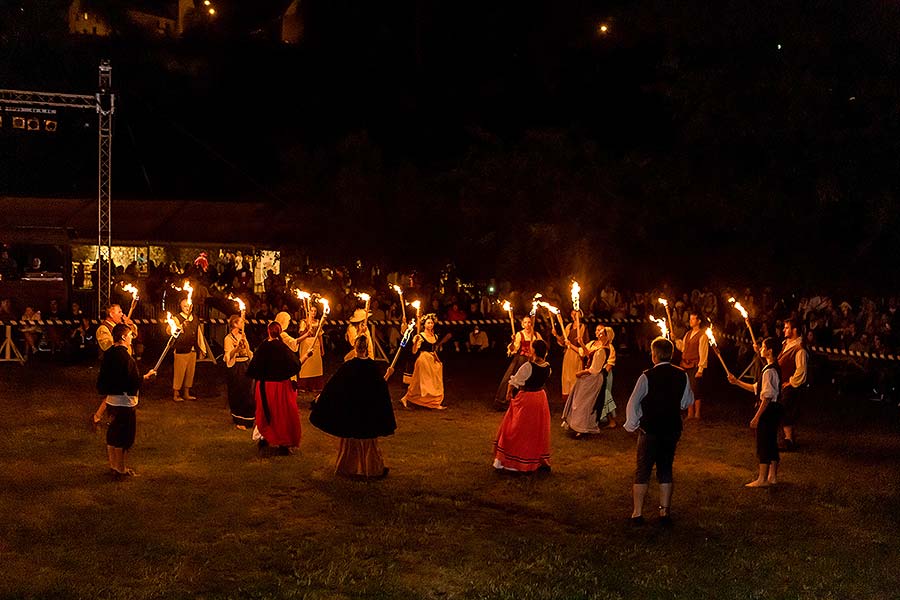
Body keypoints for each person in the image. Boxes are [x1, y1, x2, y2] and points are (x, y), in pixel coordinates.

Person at [624, 337, 694, 525]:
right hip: (671, 428)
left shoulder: (646, 376)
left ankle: (637, 513)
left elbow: (633, 401)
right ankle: (664, 513)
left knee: (643, 470)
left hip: (651, 429)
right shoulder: (682, 375)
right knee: (665, 468)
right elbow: (687, 401)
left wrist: (632, 423)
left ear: (654, 355)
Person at [310, 335, 396, 479]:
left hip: (353, 412)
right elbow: (380, 387)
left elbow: (334, 386)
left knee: (352, 440)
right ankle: (371, 469)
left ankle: (349, 468)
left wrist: (321, 398)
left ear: (355, 348)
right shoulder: (372, 367)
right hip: (367, 412)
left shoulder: (348, 366)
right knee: (367, 440)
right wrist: (387, 375)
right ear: (367, 348)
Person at [92, 324, 156, 479]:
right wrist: (145, 378)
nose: (131, 338)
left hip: (112, 401)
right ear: (122, 337)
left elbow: (104, 379)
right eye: (129, 335)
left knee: (112, 435)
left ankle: (113, 466)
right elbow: (131, 381)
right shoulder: (125, 358)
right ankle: (121, 469)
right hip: (125, 403)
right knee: (123, 437)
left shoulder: (109, 354)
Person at [728, 337, 783, 487]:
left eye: (763, 347)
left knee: (764, 443)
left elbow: (766, 397)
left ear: (770, 351)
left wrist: (757, 417)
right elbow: (756, 388)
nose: (761, 349)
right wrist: (737, 382)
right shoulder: (773, 368)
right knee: (771, 442)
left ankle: (762, 479)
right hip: (775, 409)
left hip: (768, 410)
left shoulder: (768, 371)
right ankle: (772, 477)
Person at [493, 339, 552, 473]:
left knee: (517, 428)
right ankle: (534, 459)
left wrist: (509, 393)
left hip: (527, 399)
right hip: (540, 398)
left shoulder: (528, 366)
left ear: (535, 351)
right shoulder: (548, 366)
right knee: (535, 430)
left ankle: (513, 461)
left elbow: (514, 381)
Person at [246, 321, 302, 456]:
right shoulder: (282, 347)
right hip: (281, 387)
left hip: (265, 386)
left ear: (268, 331)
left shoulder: (263, 347)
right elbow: (295, 365)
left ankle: (264, 438)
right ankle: (281, 443)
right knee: (281, 414)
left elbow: (253, 367)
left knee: (266, 412)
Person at [561, 325, 617, 435]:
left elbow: (596, 368)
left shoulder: (604, 350)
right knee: (583, 400)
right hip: (591, 376)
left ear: (607, 336)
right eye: (598, 331)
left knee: (587, 401)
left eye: (601, 332)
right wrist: (579, 343)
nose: (599, 334)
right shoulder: (594, 345)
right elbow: (588, 355)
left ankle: (583, 426)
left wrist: (582, 372)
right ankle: (578, 424)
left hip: (596, 377)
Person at [494, 316, 543, 409]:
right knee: (511, 378)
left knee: (535, 380)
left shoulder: (536, 334)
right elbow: (513, 349)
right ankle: (504, 401)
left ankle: (534, 403)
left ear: (531, 324)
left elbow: (541, 347)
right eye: (525, 322)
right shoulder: (519, 334)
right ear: (522, 324)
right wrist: (512, 342)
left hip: (532, 360)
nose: (527, 325)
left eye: (529, 322)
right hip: (521, 360)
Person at [399, 313, 446, 410]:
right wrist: (416, 342)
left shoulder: (435, 336)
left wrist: (438, 360)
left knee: (434, 382)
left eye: (432, 323)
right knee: (422, 382)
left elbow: (433, 350)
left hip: (432, 360)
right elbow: (414, 351)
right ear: (424, 324)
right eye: (428, 323)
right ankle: (407, 398)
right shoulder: (420, 336)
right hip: (423, 360)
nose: (430, 325)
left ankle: (434, 402)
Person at [778, 318, 808, 451]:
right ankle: (787, 438)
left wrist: (790, 382)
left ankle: (789, 440)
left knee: (785, 412)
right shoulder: (786, 344)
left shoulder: (799, 349)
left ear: (794, 330)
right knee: (782, 412)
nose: (784, 329)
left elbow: (801, 370)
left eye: (787, 327)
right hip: (783, 385)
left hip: (791, 388)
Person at [172, 298, 208, 402]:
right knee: (179, 372)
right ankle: (176, 393)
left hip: (192, 349)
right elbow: (170, 331)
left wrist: (201, 348)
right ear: (181, 307)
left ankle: (186, 392)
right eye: (184, 306)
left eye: (188, 306)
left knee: (190, 373)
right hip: (181, 349)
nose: (187, 308)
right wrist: (179, 327)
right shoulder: (176, 318)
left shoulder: (195, 318)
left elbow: (198, 333)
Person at [223, 314, 254, 430]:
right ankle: (239, 419)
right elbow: (228, 355)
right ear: (235, 324)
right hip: (237, 368)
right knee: (238, 392)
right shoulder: (228, 338)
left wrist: (244, 344)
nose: (243, 324)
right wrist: (236, 348)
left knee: (249, 392)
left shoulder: (243, 336)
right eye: (241, 322)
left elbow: (248, 352)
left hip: (246, 365)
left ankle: (248, 418)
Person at [676, 312, 709, 420]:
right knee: (687, 389)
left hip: (695, 366)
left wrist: (700, 369)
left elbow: (703, 353)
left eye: (693, 319)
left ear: (698, 321)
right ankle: (690, 413)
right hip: (685, 365)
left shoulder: (703, 335)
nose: (690, 321)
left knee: (696, 389)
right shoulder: (688, 334)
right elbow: (683, 348)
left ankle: (697, 413)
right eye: (690, 319)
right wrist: (676, 339)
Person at [556, 310, 587, 401]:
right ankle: (567, 398)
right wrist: (556, 335)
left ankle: (575, 398)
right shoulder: (569, 327)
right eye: (572, 313)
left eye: (575, 313)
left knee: (575, 377)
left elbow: (584, 346)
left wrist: (578, 343)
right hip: (568, 355)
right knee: (567, 376)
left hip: (576, 355)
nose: (573, 315)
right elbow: (563, 341)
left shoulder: (582, 327)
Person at [297, 305, 325, 393]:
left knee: (315, 365)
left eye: (315, 311)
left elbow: (320, 335)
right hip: (306, 344)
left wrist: (322, 348)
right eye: (312, 311)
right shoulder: (304, 322)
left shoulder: (318, 322)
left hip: (315, 344)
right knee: (306, 365)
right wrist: (307, 330)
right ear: (308, 312)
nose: (313, 313)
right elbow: (301, 334)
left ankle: (314, 385)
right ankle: (304, 385)